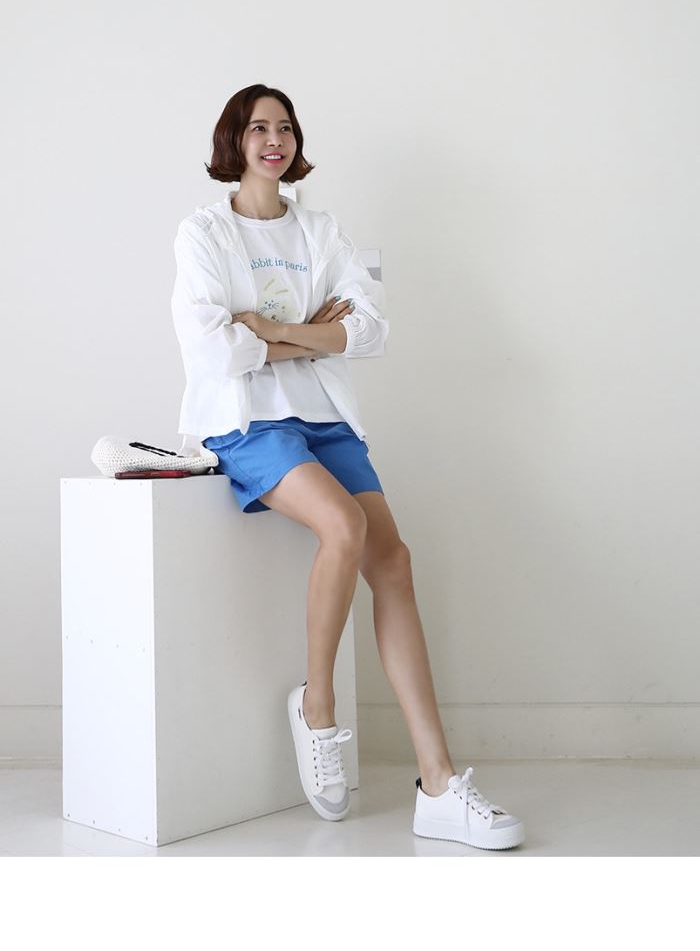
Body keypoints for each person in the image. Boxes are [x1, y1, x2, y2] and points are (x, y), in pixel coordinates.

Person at [170, 83, 525, 850]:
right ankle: (318, 705)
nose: (275, 140)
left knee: (394, 559)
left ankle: (438, 784)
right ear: (233, 140)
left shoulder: (320, 229)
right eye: (259, 128)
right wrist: (309, 332)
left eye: (286, 127)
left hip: (324, 416)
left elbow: (368, 331)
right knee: (344, 525)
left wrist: (273, 329)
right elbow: (213, 348)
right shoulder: (203, 233)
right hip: (247, 420)